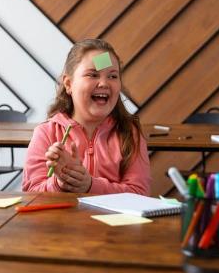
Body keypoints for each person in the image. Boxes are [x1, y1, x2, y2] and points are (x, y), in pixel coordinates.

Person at [23, 39, 151, 195]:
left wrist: (90, 185)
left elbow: (140, 193)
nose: (104, 83)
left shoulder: (130, 133)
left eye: (112, 76)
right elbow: (31, 194)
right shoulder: (46, 133)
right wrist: (61, 182)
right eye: (93, 75)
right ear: (69, 84)